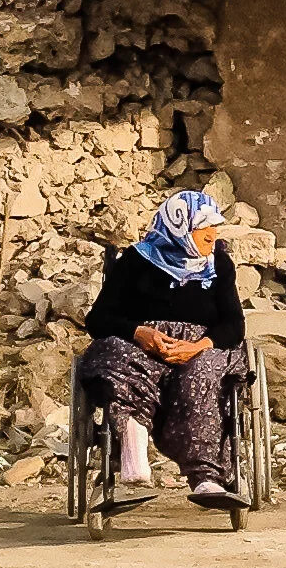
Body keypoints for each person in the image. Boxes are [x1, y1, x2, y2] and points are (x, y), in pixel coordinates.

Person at [79, 190, 247, 508]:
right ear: (180, 230)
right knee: (120, 360)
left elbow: (234, 326)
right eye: (206, 237)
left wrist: (199, 346)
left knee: (202, 374)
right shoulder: (135, 261)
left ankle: (207, 478)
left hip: (199, 348)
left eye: (214, 239)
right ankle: (133, 468)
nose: (212, 244)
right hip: (139, 344)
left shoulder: (219, 266)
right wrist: (137, 331)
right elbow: (98, 319)